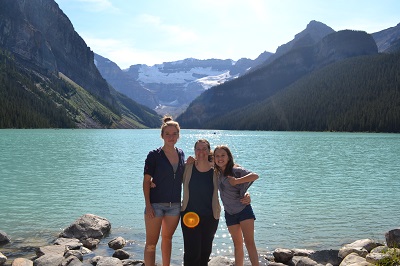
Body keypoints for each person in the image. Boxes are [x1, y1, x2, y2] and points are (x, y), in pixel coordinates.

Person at [142, 115, 185, 266]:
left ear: (178, 136)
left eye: (174, 134)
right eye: (168, 134)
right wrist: (148, 206)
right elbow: (147, 182)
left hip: (174, 206)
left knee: (167, 239)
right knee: (151, 244)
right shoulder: (154, 155)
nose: (171, 137)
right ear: (162, 135)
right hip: (155, 205)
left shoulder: (181, 154)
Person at [214, 145, 260, 266]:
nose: (220, 158)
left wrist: (237, 181)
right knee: (237, 244)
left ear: (229, 157)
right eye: (217, 156)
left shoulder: (235, 170)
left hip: (244, 210)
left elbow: (255, 176)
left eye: (223, 155)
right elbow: (201, 159)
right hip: (229, 213)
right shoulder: (216, 172)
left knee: (249, 242)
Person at [180, 139, 220, 266]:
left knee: (205, 252)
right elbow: (171, 179)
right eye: (198, 149)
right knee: (192, 252)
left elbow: (234, 179)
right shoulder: (188, 167)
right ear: (194, 151)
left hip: (210, 216)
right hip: (189, 215)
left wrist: (245, 194)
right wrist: (153, 182)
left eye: (204, 149)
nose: (201, 151)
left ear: (209, 151)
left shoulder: (217, 169)